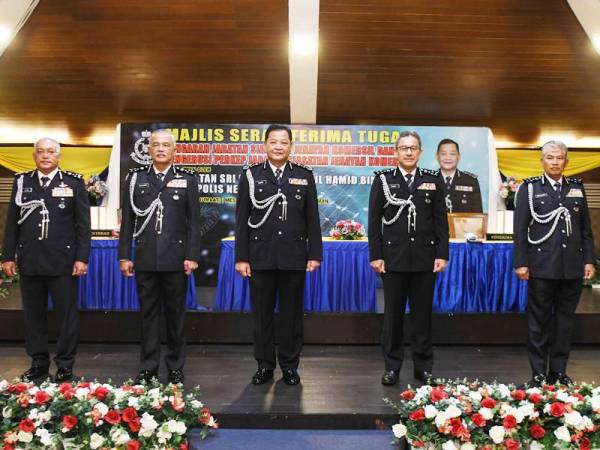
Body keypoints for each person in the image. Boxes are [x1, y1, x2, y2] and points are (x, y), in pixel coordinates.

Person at [235, 124, 322, 386]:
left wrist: (314, 254)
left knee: (291, 316)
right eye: (273, 142)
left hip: (294, 257)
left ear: (291, 146)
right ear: (265, 145)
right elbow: (241, 220)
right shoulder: (251, 176)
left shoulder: (304, 176)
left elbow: (312, 220)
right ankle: (264, 365)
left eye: (283, 142)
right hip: (260, 257)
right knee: (261, 316)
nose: (278, 146)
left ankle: (289, 366)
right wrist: (242, 257)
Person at [1, 137, 91, 382]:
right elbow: (12, 223)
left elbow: (83, 225)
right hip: (30, 260)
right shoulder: (22, 182)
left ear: (58, 156)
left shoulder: (72, 182)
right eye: (40, 152)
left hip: (63, 262)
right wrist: (8, 256)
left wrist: (82, 258)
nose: (45, 156)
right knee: (33, 316)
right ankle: (39, 363)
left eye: (51, 151)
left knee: (66, 317)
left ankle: (65, 365)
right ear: (34, 156)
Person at [118, 129, 201, 384]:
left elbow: (194, 222)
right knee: (148, 316)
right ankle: (148, 366)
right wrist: (124, 256)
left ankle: (175, 366)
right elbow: (128, 221)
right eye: (156, 145)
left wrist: (192, 255)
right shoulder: (135, 179)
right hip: (145, 258)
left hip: (176, 258)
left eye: (166, 145)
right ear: (149, 150)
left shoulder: (187, 179)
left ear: (174, 151)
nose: (161, 149)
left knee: (176, 316)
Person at [368, 130, 449, 386]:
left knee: (422, 317)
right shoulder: (383, 180)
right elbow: (373, 223)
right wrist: (376, 255)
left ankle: (423, 368)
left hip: (425, 259)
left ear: (421, 152)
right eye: (404, 148)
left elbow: (440, 223)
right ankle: (392, 367)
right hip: (393, 259)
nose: (409, 152)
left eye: (413, 148)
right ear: (396, 152)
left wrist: (442, 254)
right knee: (392, 318)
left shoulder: (433, 180)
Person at [514, 140, 595, 386]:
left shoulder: (576, 188)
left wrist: (589, 260)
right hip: (541, 265)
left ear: (566, 161)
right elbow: (519, 231)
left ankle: (558, 371)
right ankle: (538, 372)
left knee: (564, 323)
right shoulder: (529, 188)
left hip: (571, 266)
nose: (555, 162)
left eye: (559, 158)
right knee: (538, 322)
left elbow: (585, 230)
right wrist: (521, 263)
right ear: (542, 161)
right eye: (550, 157)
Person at [435, 138, 482, 213]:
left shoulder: (470, 181)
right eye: (443, 154)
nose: (448, 158)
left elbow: (477, 215)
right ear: (437, 157)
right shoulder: (428, 180)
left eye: (452, 154)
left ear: (458, 157)